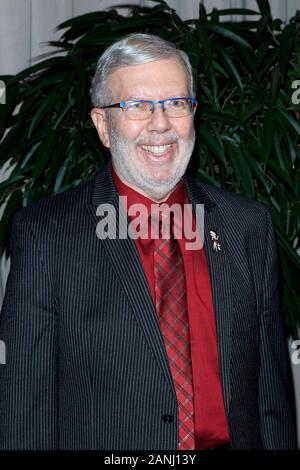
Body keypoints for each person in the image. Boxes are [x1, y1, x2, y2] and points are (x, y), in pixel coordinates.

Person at [0, 33, 297, 450]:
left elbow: (271, 402)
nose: (160, 124)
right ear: (103, 126)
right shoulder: (45, 235)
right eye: (137, 105)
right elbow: (22, 410)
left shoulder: (247, 226)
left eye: (176, 103)